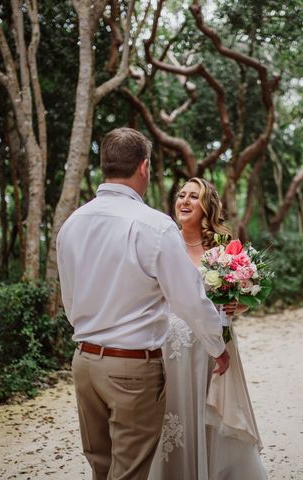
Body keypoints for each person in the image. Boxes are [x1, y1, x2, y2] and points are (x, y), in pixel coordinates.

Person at [56, 128, 230, 480]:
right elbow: (189, 300)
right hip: (131, 369)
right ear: (144, 167)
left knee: (101, 468)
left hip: (84, 363)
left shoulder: (71, 225)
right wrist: (218, 347)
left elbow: (70, 301)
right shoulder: (154, 226)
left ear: (103, 166)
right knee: (130, 472)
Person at [149, 178, 267, 480]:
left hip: (214, 343)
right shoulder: (164, 242)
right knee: (176, 413)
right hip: (173, 346)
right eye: (181, 195)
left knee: (213, 414)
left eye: (194, 197)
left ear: (206, 206)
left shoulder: (223, 249)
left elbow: (243, 298)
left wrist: (236, 306)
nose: (184, 201)